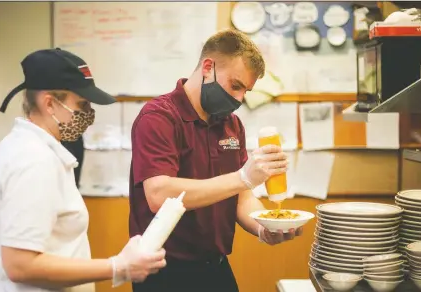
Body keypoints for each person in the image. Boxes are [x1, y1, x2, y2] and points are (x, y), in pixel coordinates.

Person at [0, 48, 166, 292]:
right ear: (50, 103)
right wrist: (118, 266)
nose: (88, 113)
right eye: (81, 103)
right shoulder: (35, 160)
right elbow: (20, 266)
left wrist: (2, 259)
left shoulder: (13, 145)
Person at [128, 29, 303, 292]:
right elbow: (158, 194)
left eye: (246, 91)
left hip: (216, 267)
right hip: (164, 271)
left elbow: (241, 197)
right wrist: (243, 177)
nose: (239, 99)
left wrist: (264, 228)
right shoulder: (159, 117)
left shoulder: (231, 125)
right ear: (208, 67)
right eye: (235, 85)